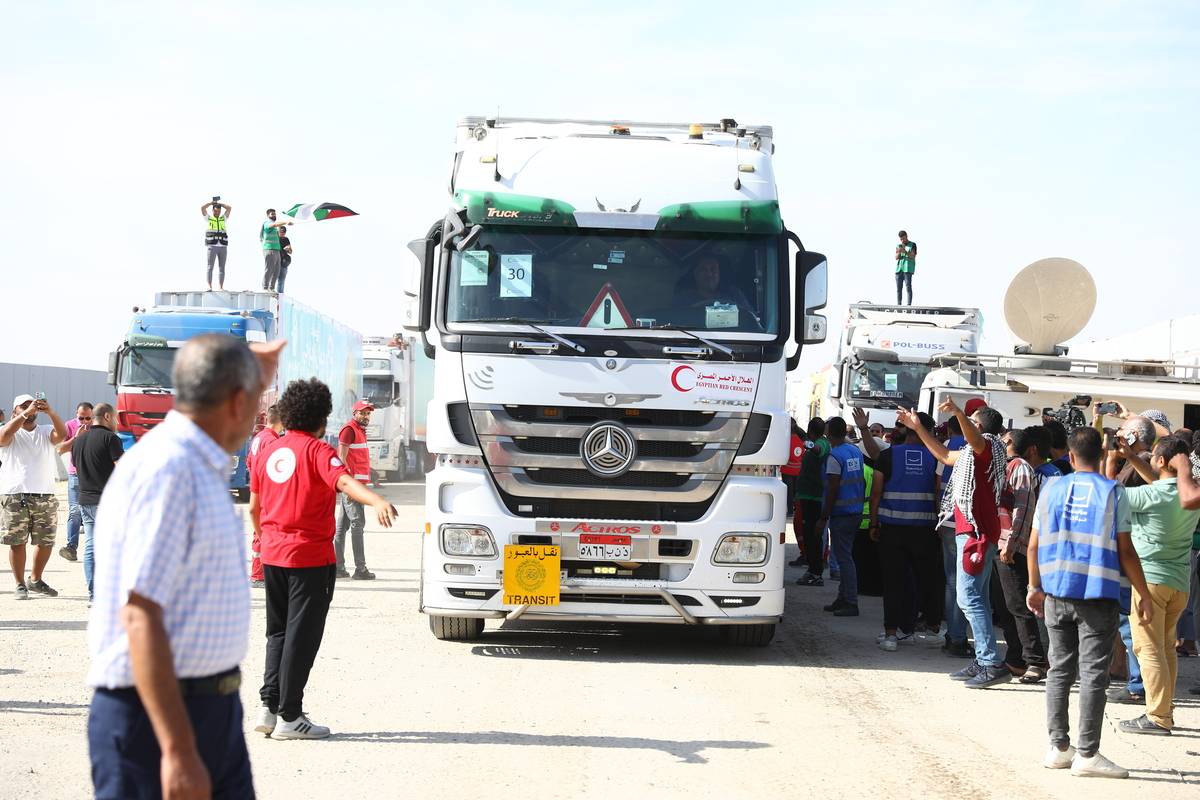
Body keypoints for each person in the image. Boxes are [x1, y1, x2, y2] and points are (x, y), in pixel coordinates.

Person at [87, 334, 283, 798]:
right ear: (237, 401)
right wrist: (176, 748)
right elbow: (139, 613)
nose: (258, 417)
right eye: (256, 401)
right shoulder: (170, 470)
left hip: (208, 709)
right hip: (156, 719)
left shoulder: (197, 465)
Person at [250, 378, 397, 740]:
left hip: (273, 554)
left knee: (278, 633)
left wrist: (266, 537)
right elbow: (345, 483)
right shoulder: (317, 450)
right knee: (302, 636)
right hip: (309, 559)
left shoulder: (268, 450)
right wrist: (376, 500)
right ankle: (290, 717)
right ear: (321, 417)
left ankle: (269, 708)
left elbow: (254, 507)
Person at [1026, 426, 1152, 778]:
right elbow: (1126, 550)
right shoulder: (1113, 492)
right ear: (1101, 454)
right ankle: (1088, 755)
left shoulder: (1051, 488)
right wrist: (1143, 593)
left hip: (1055, 592)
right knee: (1094, 673)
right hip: (1097, 593)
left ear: (1068, 454)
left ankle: (1058, 748)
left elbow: (1034, 545)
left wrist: (1033, 586)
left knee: (1059, 670)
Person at [899, 398, 1010, 688]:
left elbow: (974, 439)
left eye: (972, 421)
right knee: (977, 599)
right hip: (973, 532)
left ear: (980, 426)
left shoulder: (987, 447)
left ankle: (990, 662)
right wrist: (918, 427)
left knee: (969, 599)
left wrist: (960, 413)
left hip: (975, 534)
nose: (966, 426)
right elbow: (944, 455)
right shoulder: (974, 453)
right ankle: (985, 659)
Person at [1112, 435, 1200, 735]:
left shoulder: (1146, 497)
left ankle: (1158, 717)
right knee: (1165, 649)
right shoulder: (1189, 493)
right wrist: (1132, 457)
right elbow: (1163, 485)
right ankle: (1165, 711)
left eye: (1153, 458)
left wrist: (1113, 461)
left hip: (1150, 582)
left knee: (1148, 650)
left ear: (1162, 461)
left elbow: (1109, 494)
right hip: (1178, 583)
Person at [867, 412, 942, 650]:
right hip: (926, 530)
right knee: (929, 580)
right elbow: (940, 493)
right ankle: (932, 630)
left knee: (893, 582)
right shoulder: (937, 457)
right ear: (926, 432)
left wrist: (873, 523)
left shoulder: (888, 456)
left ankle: (891, 634)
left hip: (892, 529)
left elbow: (876, 493)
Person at [996, 427, 1053, 683]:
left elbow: (1023, 507)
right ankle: (1017, 658)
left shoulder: (1019, 467)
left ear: (1010, 442)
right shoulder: (1007, 466)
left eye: (1003, 440)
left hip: (1014, 546)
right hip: (1004, 543)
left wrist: (1010, 542)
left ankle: (1035, 661)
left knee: (1019, 606)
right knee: (1008, 605)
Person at [2, 395, 68, 600]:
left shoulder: (45, 430)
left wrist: (50, 411)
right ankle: (20, 584)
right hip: (15, 494)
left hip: (45, 494)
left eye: (33, 405)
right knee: (17, 542)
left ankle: (36, 579)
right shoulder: (9, 430)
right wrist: (25, 414)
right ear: (14, 411)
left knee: (46, 541)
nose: (30, 409)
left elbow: (62, 435)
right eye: (23, 406)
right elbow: (3, 438)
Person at [71, 403, 123, 603]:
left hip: (85, 500)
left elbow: (76, 466)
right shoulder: (111, 439)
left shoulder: (79, 441)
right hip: (107, 501)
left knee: (91, 547)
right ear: (108, 416)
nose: (117, 422)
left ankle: (94, 595)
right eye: (116, 418)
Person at [818, 416, 866, 617]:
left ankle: (851, 601)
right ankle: (843, 598)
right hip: (854, 511)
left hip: (841, 513)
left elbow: (832, 488)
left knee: (844, 558)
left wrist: (823, 517)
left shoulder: (834, 456)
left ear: (829, 433)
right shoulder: (855, 451)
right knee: (846, 556)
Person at [936, 414, 971, 656]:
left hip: (948, 519)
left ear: (948, 430)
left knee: (952, 580)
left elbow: (937, 481)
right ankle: (959, 636)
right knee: (967, 582)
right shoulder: (974, 447)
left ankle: (954, 635)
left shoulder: (948, 447)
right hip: (967, 522)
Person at [335, 400, 378, 579]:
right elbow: (341, 457)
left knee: (342, 527)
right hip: (353, 487)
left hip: (356, 485)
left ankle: (338, 567)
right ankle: (360, 570)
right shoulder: (349, 430)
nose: (366, 416)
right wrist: (349, 485)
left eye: (368, 413)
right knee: (357, 524)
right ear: (355, 413)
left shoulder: (359, 431)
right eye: (362, 413)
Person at [247, 404, 285, 589]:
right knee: (264, 532)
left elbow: (249, 463)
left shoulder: (258, 437)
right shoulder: (272, 441)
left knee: (259, 530)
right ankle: (258, 574)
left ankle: (258, 573)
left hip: (258, 490)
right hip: (267, 492)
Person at [56, 401, 94, 562]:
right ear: (75, 414)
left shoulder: (98, 426)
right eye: (81, 418)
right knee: (74, 511)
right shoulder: (70, 426)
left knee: (92, 513)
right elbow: (60, 449)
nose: (85, 422)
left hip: (94, 476)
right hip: (76, 475)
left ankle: (94, 550)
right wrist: (76, 438)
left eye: (88, 418)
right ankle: (71, 547)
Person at [794, 417, 829, 584]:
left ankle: (816, 573)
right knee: (808, 535)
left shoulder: (822, 443)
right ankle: (812, 570)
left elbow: (817, 449)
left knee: (813, 536)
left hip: (814, 498)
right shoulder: (815, 440)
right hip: (807, 496)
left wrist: (808, 445)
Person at [782, 419, 805, 563]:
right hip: (797, 471)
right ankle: (793, 510)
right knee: (794, 493)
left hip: (787, 470)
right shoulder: (801, 439)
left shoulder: (786, 439)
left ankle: (790, 510)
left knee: (788, 493)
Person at [201, 199, 232, 291]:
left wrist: (220, 204)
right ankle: (209, 286)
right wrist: (211, 203)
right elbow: (202, 208)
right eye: (215, 210)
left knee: (222, 268)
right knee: (210, 266)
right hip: (212, 246)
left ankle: (221, 287)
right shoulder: (209, 218)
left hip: (223, 246)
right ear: (213, 210)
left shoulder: (223, 219)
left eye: (219, 211)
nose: (217, 212)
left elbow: (229, 208)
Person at [261, 208, 288, 292]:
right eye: (272, 214)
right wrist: (286, 222)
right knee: (269, 269)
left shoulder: (275, 225)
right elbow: (274, 225)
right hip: (269, 249)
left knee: (277, 270)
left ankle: (271, 288)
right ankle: (265, 287)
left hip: (276, 250)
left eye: (275, 214)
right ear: (268, 215)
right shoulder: (267, 223)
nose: (274, 215)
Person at [894, 230, 917, 305]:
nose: (902, 240)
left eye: (903, 238)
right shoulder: (898, 246)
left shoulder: (912, 244)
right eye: (901, 239)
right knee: (898, 289)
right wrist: (900, 252)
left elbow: (913, 256)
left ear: (906, 236)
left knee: (908, 287)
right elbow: (896, 257)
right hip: (899, 269)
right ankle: (899, 304)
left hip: (908, 269)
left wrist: (905, 251)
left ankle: (909, 305)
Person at [277, 225, 293, 294]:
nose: (283, 233)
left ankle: (280, 295)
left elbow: (291, 252)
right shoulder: (275, 238)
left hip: (283, 262)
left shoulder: (286, 239)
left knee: (281, 280)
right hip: (275, 261)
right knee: (273, 279)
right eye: (281, 232)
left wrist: (288, 248)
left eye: (284, 232)